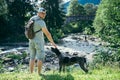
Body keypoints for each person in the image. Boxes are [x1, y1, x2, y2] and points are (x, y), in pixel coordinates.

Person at [28, 7, 57, 75]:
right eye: (42, 13)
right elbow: (47, 34)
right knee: (40, 58)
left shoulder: (32, 18)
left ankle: (31, 73)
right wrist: (53, 43)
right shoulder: (41, 22)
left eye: (44, 14)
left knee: (32, 57)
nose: (44, 15)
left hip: (31, 40)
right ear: (38, 13)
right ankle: (39, 74)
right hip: (38, 42)